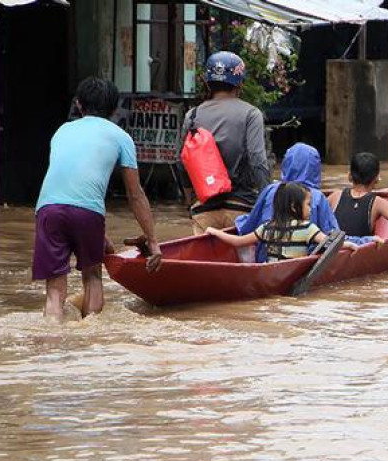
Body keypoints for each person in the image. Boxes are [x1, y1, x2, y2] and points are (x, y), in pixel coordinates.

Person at [32, 77, 162, 322]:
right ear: (114, 109)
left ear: (79, 105)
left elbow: (67, 187)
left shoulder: (62, 131)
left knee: (54, 291)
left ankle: (51, 342)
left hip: (47, 209)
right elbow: (135, 195)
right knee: (92, 276)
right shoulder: (121, 137)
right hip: (88, 213)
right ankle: (91, 341)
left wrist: (97, 235)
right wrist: (153, 241)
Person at [180, 51, 271, 234]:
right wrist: (267, 201)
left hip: (203, 209)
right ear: (239, 83)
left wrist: (190, 198)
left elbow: (181, 161)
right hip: (241, 208)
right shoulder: (251, 114)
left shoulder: (193, 115)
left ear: (207, 82)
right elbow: (258, 161)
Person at [235, 142, 338, 262]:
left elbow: (249, 225)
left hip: (265, 259)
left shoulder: (271, 190)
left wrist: (239, 220)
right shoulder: (317, 197)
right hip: (302, 262)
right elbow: (332, 234)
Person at [206, 183, 330, 262]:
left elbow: (238, 241)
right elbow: (329, 242)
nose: (310, 209)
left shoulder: (267, 228)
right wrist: (349, 245)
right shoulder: (308, 228)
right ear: (293, 207)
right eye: (308, 204)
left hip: (271, 275)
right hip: (292, 275)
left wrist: (215, 232)